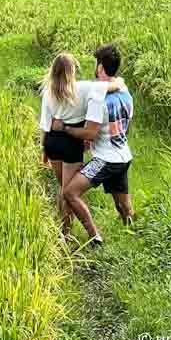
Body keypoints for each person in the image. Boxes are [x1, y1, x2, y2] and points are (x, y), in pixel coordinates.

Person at [57, 44, 134, 246]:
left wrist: (66, 129)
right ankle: (133, 234)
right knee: (123, 205)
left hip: (105, 160)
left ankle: (94, 236)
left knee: (69, 193)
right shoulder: (126, 92)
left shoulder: (99, 98)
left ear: (100, 68)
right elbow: (127, 126)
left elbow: (89, 132)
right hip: (123, 155)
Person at [38, 53, 120, 233]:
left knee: (63, 188)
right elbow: (111, 87)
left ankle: (64, 231)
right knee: (68, 191)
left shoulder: (48, 91)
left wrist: (44, 149)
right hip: (71, 142)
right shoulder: (83, 88)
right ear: (72, 70)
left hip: (52, 141)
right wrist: (119, 83)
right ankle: (66, 232)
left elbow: (45, 124)